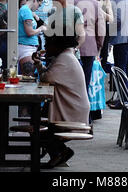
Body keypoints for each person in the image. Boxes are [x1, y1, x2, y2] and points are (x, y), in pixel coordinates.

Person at [32, 35, 90, 168]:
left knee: (39, 126)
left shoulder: (65, 59)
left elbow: (47, 77)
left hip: (72, 110)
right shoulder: (65, 56)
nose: (45, 47)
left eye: (48, 44)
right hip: (70, 106)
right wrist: (39, 63)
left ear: (57, 46)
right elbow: (48, 76)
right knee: (41, 121)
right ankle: (59, 153)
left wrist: (39, 64)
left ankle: (59, 153)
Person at [69, 0, 105, 122]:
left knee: (70, 82)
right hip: (89, 46)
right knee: (85, 81)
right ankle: (85, 117)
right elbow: (101, 29)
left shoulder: (65, 1)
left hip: (68, 46)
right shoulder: (95, 4)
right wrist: (99, 45)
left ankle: (69, 114)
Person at [105, 0, 128, 87]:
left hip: (121, 40)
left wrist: (108, 31)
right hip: (126, 39)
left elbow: (117, 19)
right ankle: (125, 97)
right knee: (126, 68)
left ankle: (122, 98)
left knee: (121, 69)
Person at [86, 0, 113, 66]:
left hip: (103, 34)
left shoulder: (105, 1)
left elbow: (111, 18)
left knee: (103, 59)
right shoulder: (85, 1)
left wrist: (100, 12)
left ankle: (101, 78)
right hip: (89, 34)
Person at [18, 0, 47, 68]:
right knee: (28, 77)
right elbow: (30, 32)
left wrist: (36, 18)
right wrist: (40, 28)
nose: (38, 8)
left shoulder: (26, 11)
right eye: (39, 5)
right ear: (35, 0)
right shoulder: (26, 11)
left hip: (27, 48)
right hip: (26, 49)